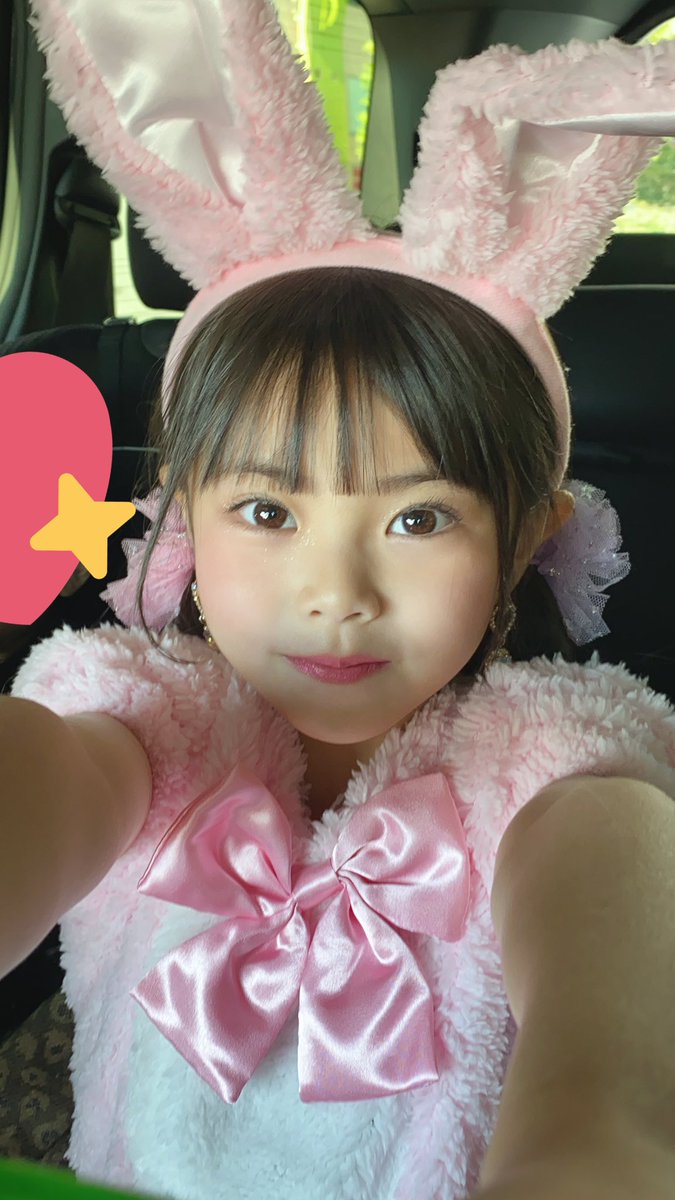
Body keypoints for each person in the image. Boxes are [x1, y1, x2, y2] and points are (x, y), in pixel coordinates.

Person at [3, 3, 675, 1197]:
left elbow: (613, 1015)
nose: (336, 595)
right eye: (268, 512)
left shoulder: (556, 770)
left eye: (419, 520)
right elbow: (45, 777)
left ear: (527, 534)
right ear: (184, 515)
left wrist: (596, 1138)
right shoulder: (140, 716)